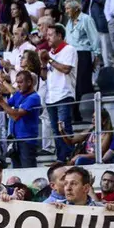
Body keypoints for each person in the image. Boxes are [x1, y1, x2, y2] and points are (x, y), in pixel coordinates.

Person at [41, 24, 78, 163]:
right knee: (56, 131)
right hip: (51, 96)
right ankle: (60, 158)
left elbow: (66, 69)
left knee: (64, 127)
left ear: (59, 36)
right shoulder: (50, 53)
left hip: (64, 93)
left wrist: (49, 59)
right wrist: (44, 62)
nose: (47, 37)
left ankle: (69, 155)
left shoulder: (69, 49)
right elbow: (44, 76)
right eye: (47, 35)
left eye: (50, 35)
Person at [0, 70, 41, 168]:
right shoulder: (18, 94)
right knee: (15, 171)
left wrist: (1, 102)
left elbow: (16, 116)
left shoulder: (34, 97)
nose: (18, 85)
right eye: (17, 82)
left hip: (27, 140)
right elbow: (1, 108)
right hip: (14, 139)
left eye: (21, 82)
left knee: (28, 171)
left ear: (29, 82)